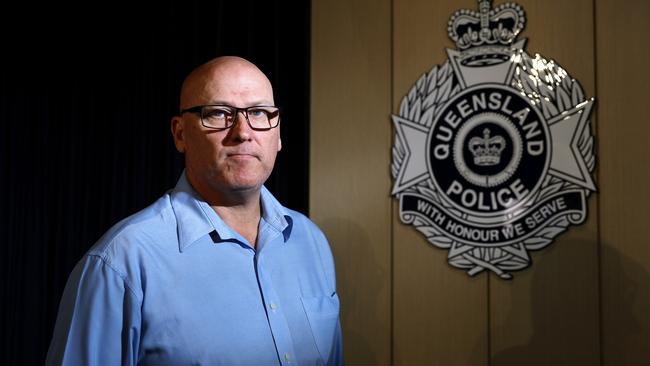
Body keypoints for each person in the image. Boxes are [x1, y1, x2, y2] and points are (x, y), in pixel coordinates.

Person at [46, 56, 343, 365]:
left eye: (258, 112)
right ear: (180, 134)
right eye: (218, 113)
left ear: (277, 133)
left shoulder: (311, 243)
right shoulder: (121, 263)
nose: (243, 131)